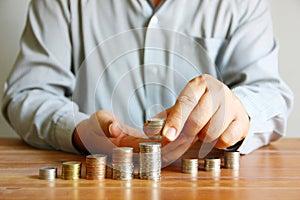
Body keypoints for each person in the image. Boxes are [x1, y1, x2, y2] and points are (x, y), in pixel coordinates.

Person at [2, 0, 293, 166]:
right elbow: (29, 92)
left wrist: (239, 111)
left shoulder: (241, 3)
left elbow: (270, 92)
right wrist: (78, 132)